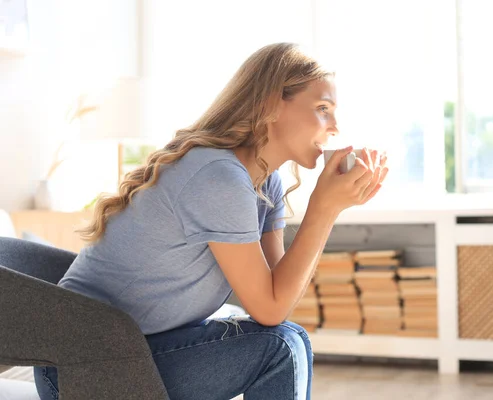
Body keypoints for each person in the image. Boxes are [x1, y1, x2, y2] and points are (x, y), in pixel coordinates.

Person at [33, 42, 388, 400]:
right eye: (322, 109)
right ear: (269, 104)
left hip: (142, 348)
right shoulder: (218, 177)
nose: (335, 126)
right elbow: (270, 309)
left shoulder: (267, 181)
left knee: (290, 337)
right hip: (83, 367)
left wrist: (330, 207)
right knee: (278, 348)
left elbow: (277, 299)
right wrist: (323, 210)